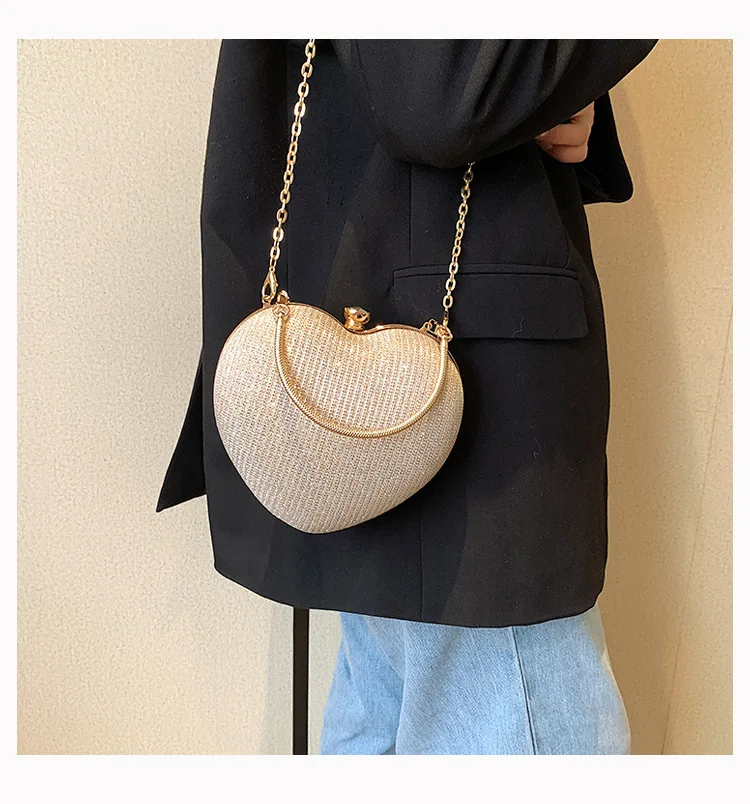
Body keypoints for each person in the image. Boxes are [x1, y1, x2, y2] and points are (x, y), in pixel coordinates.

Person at [156, 39, 658, 755]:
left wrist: (554, 90)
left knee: (385, 714)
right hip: (466, 385)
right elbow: (440, 93)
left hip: (400, 328)